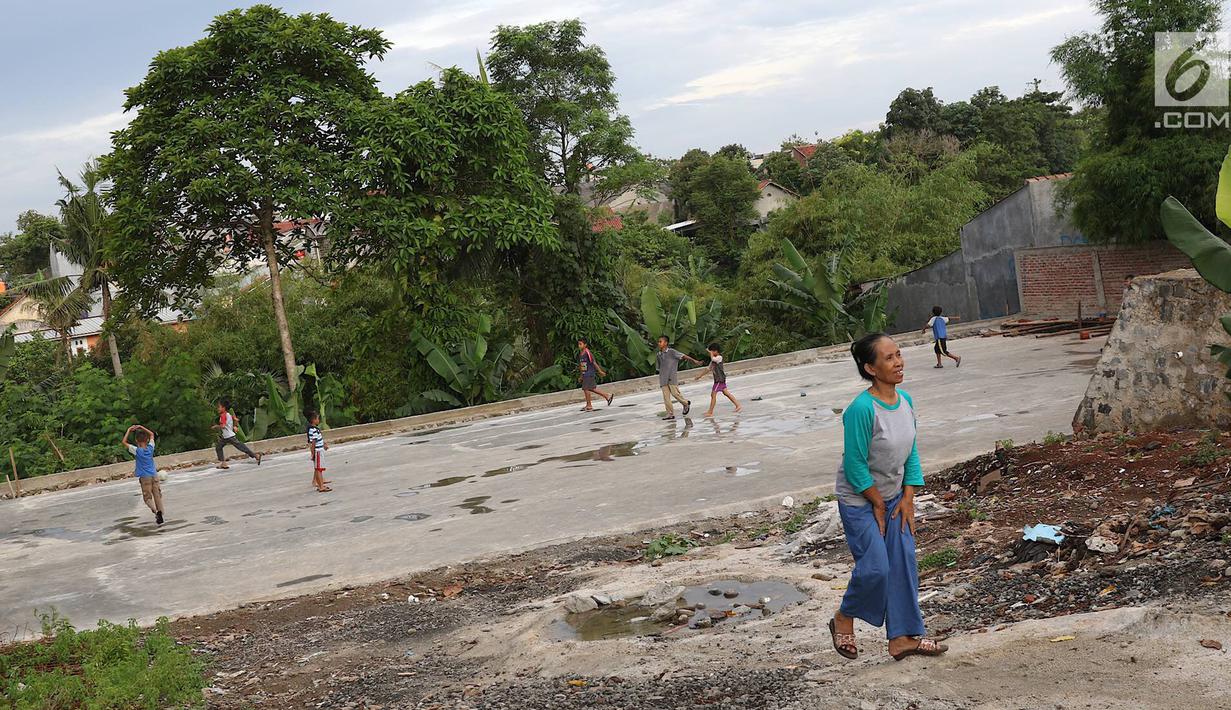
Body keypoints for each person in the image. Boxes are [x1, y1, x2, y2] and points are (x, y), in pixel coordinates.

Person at [828, 333, 948, 662]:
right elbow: (854, 464)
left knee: (904, 564)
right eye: (889, 358)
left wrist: (908, 497)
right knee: (876, 568)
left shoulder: (906, 400)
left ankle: (902, 638)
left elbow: (911, 453)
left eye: (899, 354)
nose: (899, 362)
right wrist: (878, 503)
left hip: (896, 498)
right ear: (870, 367)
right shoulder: (861, 409)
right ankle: (844, 616)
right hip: (860, 501)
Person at [122, 424, 163, 525]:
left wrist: (129, 430)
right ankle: (161, 512)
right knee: (157, 496)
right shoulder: (150, 448)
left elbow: (124, 442)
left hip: (145, 478)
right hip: (154, 475)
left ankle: (156, 512)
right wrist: (141, 426)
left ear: (136, 441)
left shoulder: (137, 451)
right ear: (147, 440)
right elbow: (152, 434)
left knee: (147, 498)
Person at [655, 336, 701, 420]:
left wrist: (694, 361)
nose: (659, 343)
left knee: (675, 394)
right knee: (666, 397)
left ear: (666, 343)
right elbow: (659, 368)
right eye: (658, 342)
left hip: (671, 377)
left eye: (660, 341)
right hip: (663, 379)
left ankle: (686, 403)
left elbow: (683, 356)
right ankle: (670, 414)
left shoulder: (672, 352)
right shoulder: (658, 355)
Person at [693, 342, 742, 417]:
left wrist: (710, 353)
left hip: (719, 379)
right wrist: (699, 376)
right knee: (726, 393)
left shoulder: (719, 357)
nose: (711, 353)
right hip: (718, 379)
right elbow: (708, 369)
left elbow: (713, 359)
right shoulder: (713, 360)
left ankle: (710, 412)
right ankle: (738, 405)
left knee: (713, 394)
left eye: (712, 351)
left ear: (716, 351)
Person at [213, 399, 261, 469]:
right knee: (218, 447)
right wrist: (235, 426)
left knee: (241, 447)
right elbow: (236, 419)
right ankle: (223, 463)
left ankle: (256, 456)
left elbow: (223, 426)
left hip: (229, 436)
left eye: (219, 407)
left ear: (223, 408)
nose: (218, 408)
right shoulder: (228, 414)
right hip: (226, 437)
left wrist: (216, 426)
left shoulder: (223, 415)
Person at [577, 338, 614, 411]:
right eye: (578, 344)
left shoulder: (588, 352)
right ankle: (607, 396)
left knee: (586, 389)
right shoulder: (581, 354)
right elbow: (581, 366)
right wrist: (581, 376)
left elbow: (593, 362)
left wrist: (600, 371)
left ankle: (589, 405)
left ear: (585, 345)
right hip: (585, 374)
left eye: (580, 344)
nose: (579, 346)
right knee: (591, 388)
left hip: (589, 373)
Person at [306, 411, 331, 493]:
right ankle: (321, 486)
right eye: (317, 418)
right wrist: (313, 453)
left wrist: (323, 445)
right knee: (318, 469)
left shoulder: (314, 429)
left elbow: (317, 440)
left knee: (318, 469)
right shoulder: (313, 430)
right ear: (314, 420)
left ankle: (320, 484)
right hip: (318, 451)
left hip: (319, 450)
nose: (318, 420)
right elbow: (313, 442)